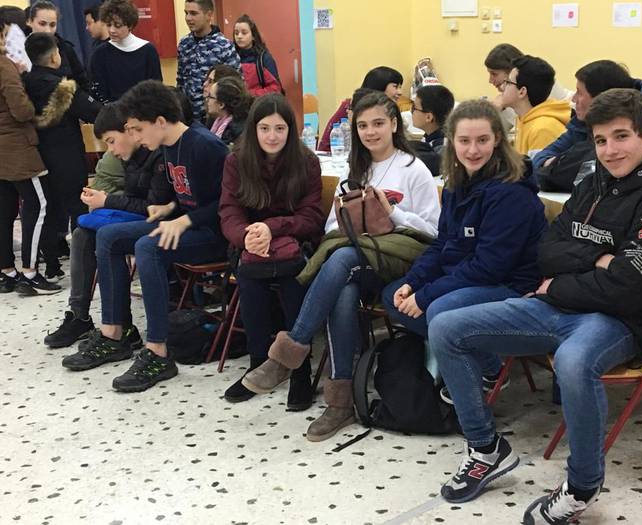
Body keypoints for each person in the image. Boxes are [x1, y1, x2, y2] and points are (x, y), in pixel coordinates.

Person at [431, 89, 642, 523]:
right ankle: (485, 448)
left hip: (622, 321)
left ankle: (582, 486)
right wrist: (598, 258)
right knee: (446, 327)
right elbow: (547, 251)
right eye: (600, 140)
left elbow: (627, 288)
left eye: (621, 136)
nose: (610, 150)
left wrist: (561, 282)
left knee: (574, 362)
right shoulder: (593, 182)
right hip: (560, 304)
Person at [242, 92, 441, 441]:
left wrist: (391, 213)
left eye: (378, 123)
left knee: (343, 259)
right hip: (361, 259)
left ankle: (290, 351)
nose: (370, 132)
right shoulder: (357, 168)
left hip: (404, 262)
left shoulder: (414, 169)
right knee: (343, 287)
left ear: (394, 125)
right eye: (362, 125)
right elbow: (334, 225)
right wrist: (351, 221)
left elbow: (434, 232)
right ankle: (340, 403)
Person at [65, 80, 228, 392]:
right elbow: (188, 195)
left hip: (214, 235)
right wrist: (170, 207)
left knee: (148, 247)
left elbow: (228, 203)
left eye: (138, 129)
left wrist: (185, 220)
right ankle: (115, 334)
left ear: (161, 122)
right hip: (186, 224)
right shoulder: (168, 146)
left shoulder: (206, 146)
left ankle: (158, 352)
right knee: (109, 237)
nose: (136, 137)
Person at [382, 98, 546, 365]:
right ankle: (476, 360)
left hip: (510, 286)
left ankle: (489, 369)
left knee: (438, 308)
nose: (473, 150)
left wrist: (427, 294)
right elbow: (442, 244)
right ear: (452, 141)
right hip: (467, 274)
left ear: (497, 140)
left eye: (482, 140)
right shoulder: (455, 184)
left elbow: (490, 267)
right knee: (394, 295)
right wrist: (413, 281)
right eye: (464, 141)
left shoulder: (511, 193)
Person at [219, 93, 325, 409]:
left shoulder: (306, 162)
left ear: (291, 130)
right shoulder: (236, 161)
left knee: (294, 279)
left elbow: (311, 217)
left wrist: (272, 227)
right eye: (264, 128)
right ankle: (257, 364)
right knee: (250, 278)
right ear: (254, 129)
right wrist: (247, 236)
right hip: (251, 244)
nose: (272, 136)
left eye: (280, 128)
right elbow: (229, 211)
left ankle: (299, 370)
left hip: (295, 241)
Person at [46, 103, 173, 350]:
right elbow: (134, 198)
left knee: (108, 235)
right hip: (140, 217)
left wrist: (107, 201)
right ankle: (80, 316)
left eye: (112, 141)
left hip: (167, 221)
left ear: (130, 130)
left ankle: (119, 329)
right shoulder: (129, 156)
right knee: (82, 234)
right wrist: (104, 201)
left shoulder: (158, 152)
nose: (111, 150)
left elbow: (155, 206)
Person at [23, 32, 102, 281]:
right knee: (78, 207)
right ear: (54, 57)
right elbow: (94, 111)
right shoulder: (63, 87)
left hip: (37, 155)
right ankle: (83, 261)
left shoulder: (23, 84)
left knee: (47, 209)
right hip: (67, 155)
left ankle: (51, 265)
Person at [532, 59, 642, 192]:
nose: (573, 99)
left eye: (579, 93)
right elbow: (542, 157)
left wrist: (559, 166)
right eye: (601, 141)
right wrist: (557, 165)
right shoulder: (582, 121)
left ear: (601, 98)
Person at [0, 18, 59, 296]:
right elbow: (22, 111)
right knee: (38, 205)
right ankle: (30, 273)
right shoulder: (4, 66)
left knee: (4, 211)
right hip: (17, 148)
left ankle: (7, 271)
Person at [484, 44, 571, 133]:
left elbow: (529, 123)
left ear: (513, 72)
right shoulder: (513, 96)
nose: (490, 80)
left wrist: (503, 104)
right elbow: (496, 133)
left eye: (494, 74)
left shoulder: (541, 86)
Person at [177, 0, 240, 122]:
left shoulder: (223, 46)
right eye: (186, 13)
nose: (188, 18)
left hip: (213, 119)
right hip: (187, 118)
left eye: (193, 13)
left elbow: (235, 87)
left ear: (209, 15)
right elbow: (180, 82)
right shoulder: (184, 44)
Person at [498, 55, 570, 158]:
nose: (502, 87)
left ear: (522, 92)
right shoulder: (525, 120)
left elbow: (538, 168)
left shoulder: (542, 130)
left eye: (508, 82)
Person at [318, 66, 404, 152]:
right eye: (395, 87)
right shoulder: (351, 106)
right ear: (380, 86)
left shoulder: (389, 108)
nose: (400, 92)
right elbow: (325, 146)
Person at [91, 0, 162, 103]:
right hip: (112, 110)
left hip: (144, 109)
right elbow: (98, 92)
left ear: (130, 25)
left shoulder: (148, 51)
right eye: (109, 25)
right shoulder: (100, 54)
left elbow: (156, 89)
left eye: (117, 25)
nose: (111, 30)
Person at [27, 1, 89, 91]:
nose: (48, 30)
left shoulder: (65, 48)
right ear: (29, 21)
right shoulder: (18, 49)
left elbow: (82, 80)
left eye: (52, 25)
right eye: (42, 24)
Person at [409, 84, 455, 177]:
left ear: (428, 117)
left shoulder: (443, 145)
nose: (411, 112)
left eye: (414, 108)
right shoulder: (430, 135)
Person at [233, 14, 282, 97]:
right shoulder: (232, 57)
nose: (239, 36)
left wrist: (250, 95)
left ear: (253, 36)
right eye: (236, 33)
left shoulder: (264, 58)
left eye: (244, 33)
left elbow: (275, 88)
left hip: (260, 103)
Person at [206, 75, 252, 146]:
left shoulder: (236, 132)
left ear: (221, 104)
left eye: (210, 97)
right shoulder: (212, 121)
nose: (207, 100)